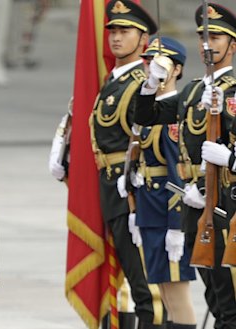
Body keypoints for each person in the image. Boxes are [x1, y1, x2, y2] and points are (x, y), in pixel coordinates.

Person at [51, 1, 163, 328]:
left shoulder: (141, 84)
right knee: (127, 279)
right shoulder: (113, 84)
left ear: (143, 39)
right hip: (112, 192)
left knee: (147, 287)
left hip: (136, 196)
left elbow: (155, 140)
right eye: (112, 30)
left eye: (124, 31)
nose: (115, 38)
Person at [135, 3, 236, 328]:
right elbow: (146, 116)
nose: (208, 44)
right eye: (204, 38)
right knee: (215, 298)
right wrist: (152, 84)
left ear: (232, 46)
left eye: (217, 38)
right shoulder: (193, 89)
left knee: (231, 299)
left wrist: (232, 159)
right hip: (195, 204)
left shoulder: (234, 90)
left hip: (226, 205)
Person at [125, 36, 197, 329]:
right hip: (150, 213)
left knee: (177, 294)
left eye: (159, 64)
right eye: (147, 62)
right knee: (165, 293)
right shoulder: (152, 110)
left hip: (167, 217)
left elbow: (176, 172)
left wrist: (176, 225)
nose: (149, 67)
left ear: (177, 70)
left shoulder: (174, 114)